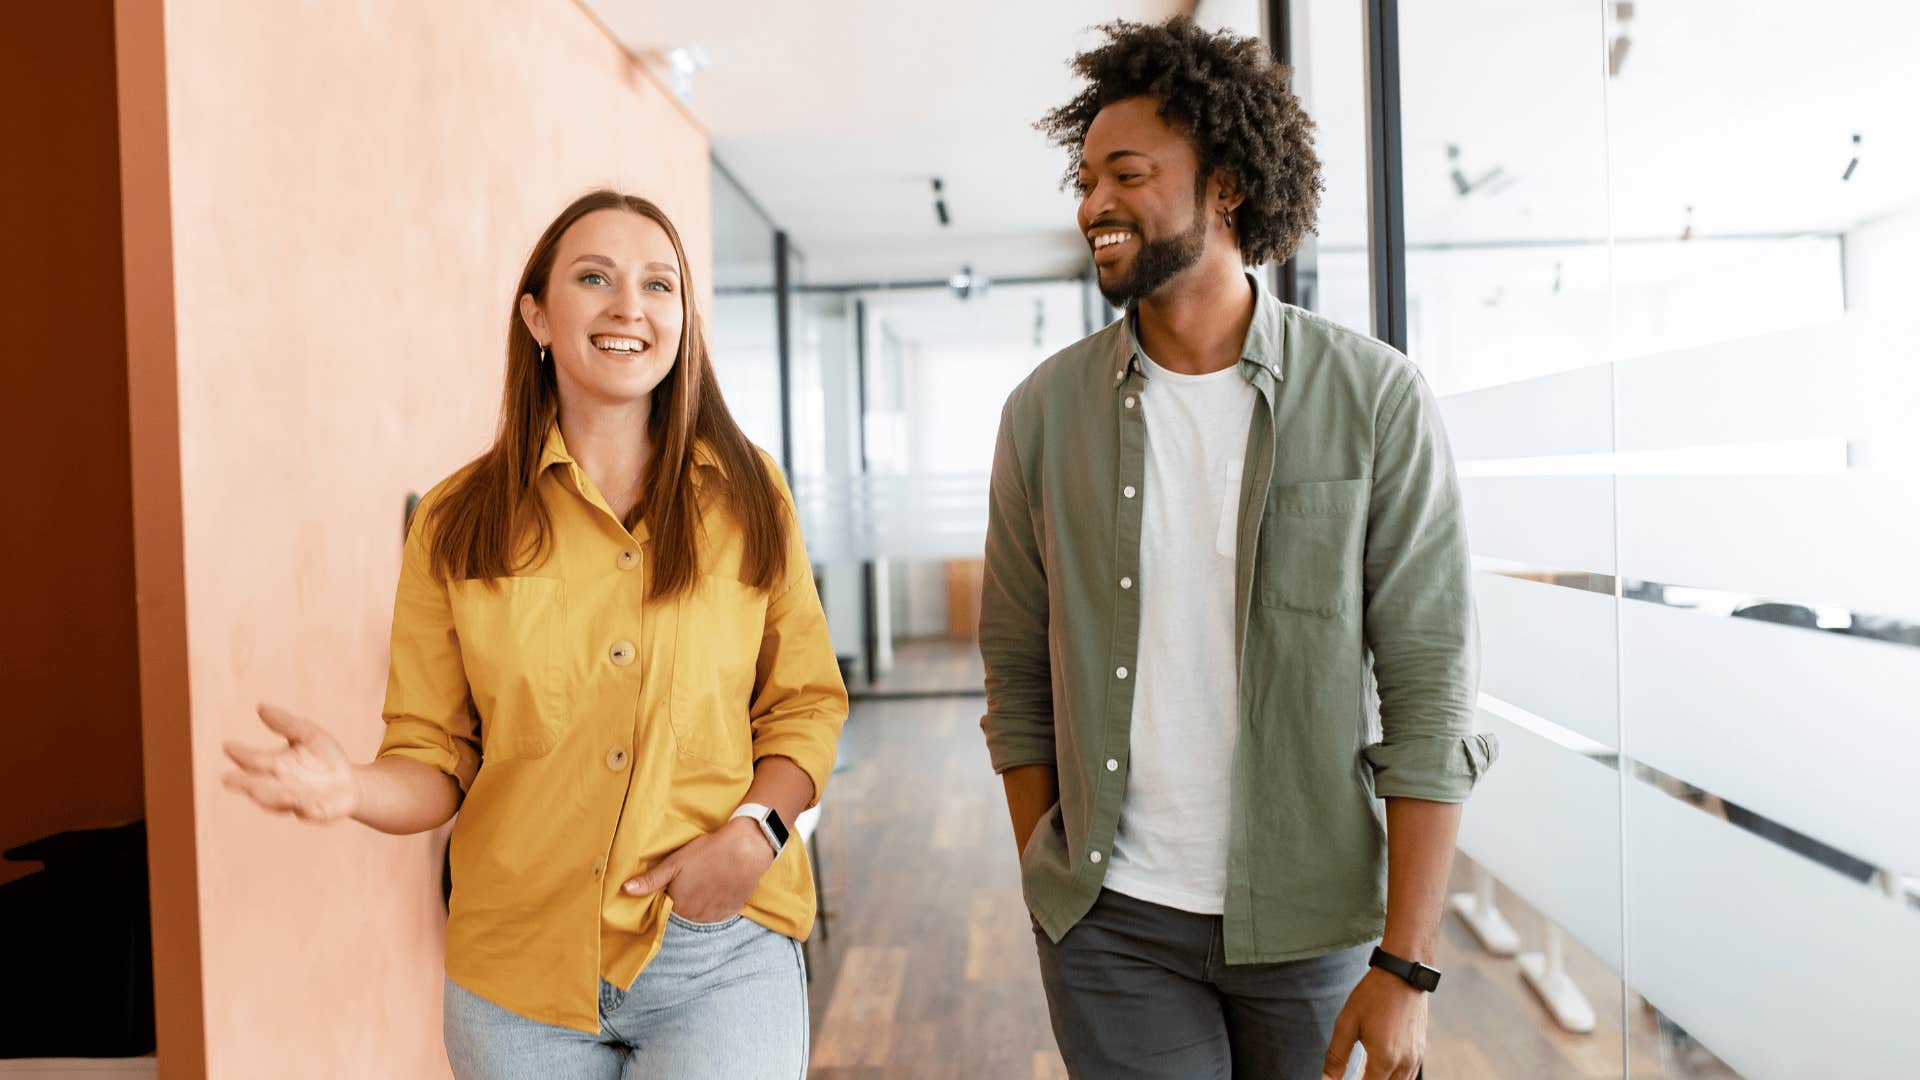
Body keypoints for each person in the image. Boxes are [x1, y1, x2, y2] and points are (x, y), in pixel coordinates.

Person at [223, 189, 846, 1079]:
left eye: (659, 285)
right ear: (538, 317)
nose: (630, 306)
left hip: (717, 950)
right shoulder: (454, 521)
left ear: (683, 320)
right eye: (594, 278)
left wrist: (757, 834)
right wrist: (349, 789)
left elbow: (805, 708)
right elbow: (436, 759)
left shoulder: (750, 496)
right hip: (516, 980)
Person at [978, 19, 1496, 1080]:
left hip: (1315, 926)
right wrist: (1054, 880)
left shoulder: (1373, 398)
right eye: (1084, 179)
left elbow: (1430, 689)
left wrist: (1408, 963)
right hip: (1113, 928)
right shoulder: (1043, 415)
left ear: (1225, 186)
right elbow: (1016, 671)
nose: (1092, 207)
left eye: (1127, 174)